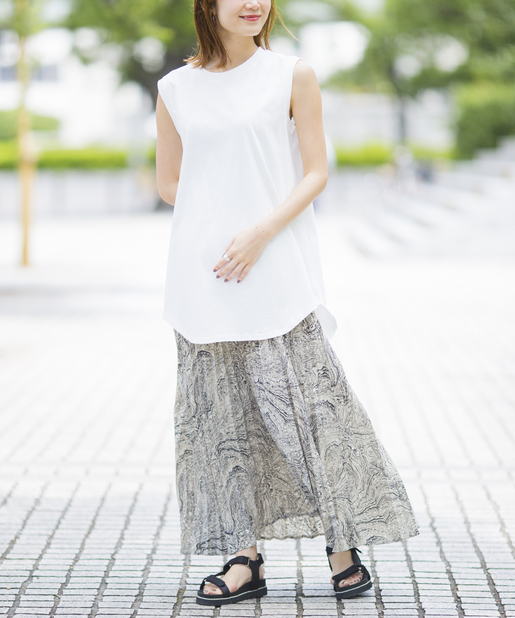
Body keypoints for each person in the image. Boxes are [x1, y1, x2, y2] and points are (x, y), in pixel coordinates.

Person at [155, 0, 419, 607]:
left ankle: (342, 544)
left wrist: (259, 231)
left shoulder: (290, 75)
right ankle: (244, 559)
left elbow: (315, 172)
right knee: (220, 419)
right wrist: (216, 222)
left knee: (313, 410)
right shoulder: (175, 88)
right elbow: (169, 183)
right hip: (206, 273)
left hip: (275, 265)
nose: (253, 3)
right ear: (207, 4)